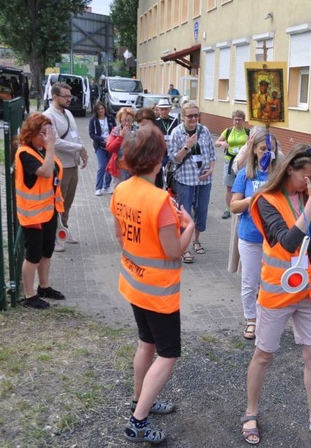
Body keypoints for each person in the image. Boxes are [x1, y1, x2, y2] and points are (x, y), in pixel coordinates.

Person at [242, 144, 311, 445]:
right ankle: (250, 412)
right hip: (277, 292)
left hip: (309, 291)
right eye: (308, 177)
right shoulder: (266, 200)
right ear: (290, 169)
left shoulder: (306, 195)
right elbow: (287, 243)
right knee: (263, 355)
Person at [111, 126, 196, 444]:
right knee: (168, 354)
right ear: (158, 159)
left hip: (134, 283)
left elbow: (120, 237)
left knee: (146, 343)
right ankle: (138, 421)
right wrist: (190, 226)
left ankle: (140, 399)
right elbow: (175, 251)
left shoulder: (121, 190)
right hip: (159, 293)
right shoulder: (160, 201)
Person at [229, 128, 279, 340]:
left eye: (271, 149)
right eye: (262, 149)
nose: (267, 153)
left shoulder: (279, 176)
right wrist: (253, 199)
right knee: (250, 282)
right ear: (255, 151)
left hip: (274, 239)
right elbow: (234, 206)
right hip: (250, 237)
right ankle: (251, 319)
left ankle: (269, 317)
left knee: (271, 282)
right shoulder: (246, 174)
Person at [14, 113, 67, 310]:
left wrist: (49, 147)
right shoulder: (25, 153)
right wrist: (51, 145)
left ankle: (44, 286)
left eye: (48, 133)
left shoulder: (43, 149)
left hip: (48, 210)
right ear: (32, 133)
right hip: (33, 214)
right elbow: (45, 172)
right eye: (42, 133)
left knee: (47, 250)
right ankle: (30, 295)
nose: (46, 137)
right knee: (33, 255)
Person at [167, 102, 216, 264]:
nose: (194, 118)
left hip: (204, 179)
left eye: (196, 115)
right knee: (185, 212)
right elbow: (173, 159)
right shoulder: (176, 133)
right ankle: (184, 248)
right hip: (185, 179)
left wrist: (211, 169)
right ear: (183, 116)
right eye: (190, 116)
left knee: (201, 210)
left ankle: (196, 240)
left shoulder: (205, 131)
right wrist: (187, 147)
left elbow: (212, 153)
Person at [43, 82, 88, 252]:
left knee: (67, 202)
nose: (70, 99)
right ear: (55, 97)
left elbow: (75, 136)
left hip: (73, 165)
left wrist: (82, 151)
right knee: (57, 203)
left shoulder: (68, 113)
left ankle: (64, 230)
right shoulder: (48, 116)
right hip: (60, 166)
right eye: (66, 96)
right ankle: (54, 237)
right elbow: (56, 141)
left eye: (70, 96)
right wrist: (79, 148)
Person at [215, 110, 250, 219]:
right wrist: (222, 143)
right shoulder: (228, 131)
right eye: (235, 119)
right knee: (229, 187)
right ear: (232, 120)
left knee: (243, 185)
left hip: (243, 162)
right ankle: (227, 209)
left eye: (239, 120)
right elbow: (216, 143)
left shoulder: (248, 132)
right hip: (230, 161)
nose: (237, 122)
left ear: (243, 120)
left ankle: (242, 206)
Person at [89, 102, 117, 196]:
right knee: (102, 165)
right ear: (96, 111)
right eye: (99, 109)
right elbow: (91, 134)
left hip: (110, 145)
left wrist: (112, 137)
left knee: (109, 166)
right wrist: (101, 139)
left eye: (102, 108)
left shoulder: (110, 118)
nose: (101, 110)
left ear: (105, 109)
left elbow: (115, 129)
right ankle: (98, 188)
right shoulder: (93, 120)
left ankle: (107, 186)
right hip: (99, 146)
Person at [106, 107, 136, 184]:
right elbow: (109, 148)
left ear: (133, 120)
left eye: (129, 120)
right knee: (119, 191)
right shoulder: (116, 131)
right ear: (120, 120)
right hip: (119, 168)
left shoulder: (137, 131)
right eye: (124, 120)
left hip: (133, 168)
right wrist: (120, 137)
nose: (127, 123)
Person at [136, 107, 164, 188]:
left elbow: (163, 155)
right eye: (142, 125)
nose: (144, 128)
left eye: (147, 124)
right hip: (140, 175)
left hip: (154, 175)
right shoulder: (135, 138)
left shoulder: (157, 138)